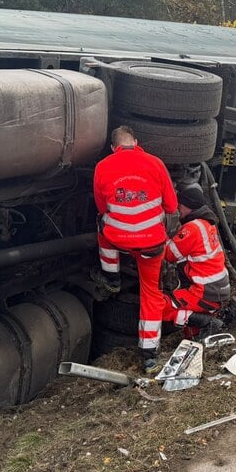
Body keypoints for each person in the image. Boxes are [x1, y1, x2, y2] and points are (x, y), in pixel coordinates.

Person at [92, 125, 178, 373]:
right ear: (136, 142)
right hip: (151, 245)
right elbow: (171, 206)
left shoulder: (102, 166)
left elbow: (101, 207)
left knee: (102, 227)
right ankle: (150, 355)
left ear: (113, 147)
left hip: (118, 240)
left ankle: (111, 277)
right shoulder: (155, 163)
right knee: (150, 294)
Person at [160, 186, 229, 340]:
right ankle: (200, 331)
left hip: (205, 294)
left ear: (188, 206)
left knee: (159, 306)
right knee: (190, 332)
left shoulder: (192, 228)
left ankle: (208, 322)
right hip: (217, 291)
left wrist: (159, 233)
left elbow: (169, 254)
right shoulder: (207, 224)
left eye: (180, 206)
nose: (179, 210)